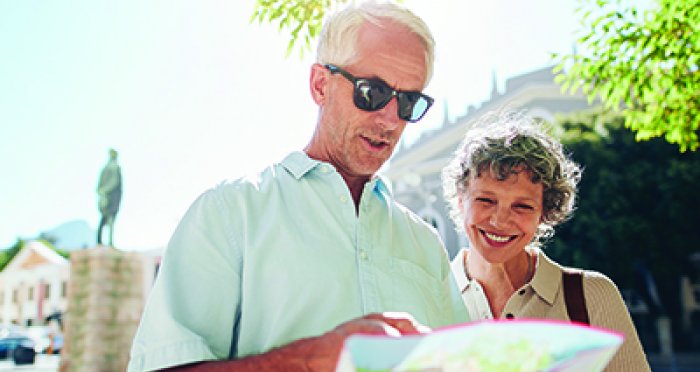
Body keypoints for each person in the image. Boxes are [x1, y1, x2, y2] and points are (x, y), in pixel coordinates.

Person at [128, 2, 468, 371]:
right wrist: (305, 361)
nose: (390, 120)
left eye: (408, 101)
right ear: (320, 85)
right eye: (372, 92)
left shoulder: (425, 244)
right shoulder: (230, 214)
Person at [442, 111, 650, 371]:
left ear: (545, 213)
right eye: (486, 200)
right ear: (461, 201)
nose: (499, 220)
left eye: (523, 206)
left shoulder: (591, 296)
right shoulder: (428, 295)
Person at [96, 148, 122, 247]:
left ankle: (102, 242)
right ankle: (107, 242)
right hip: (111, 197)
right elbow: (115, 182)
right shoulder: (114, 167)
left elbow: (99, 185)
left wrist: (102, 191)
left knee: (105, 220)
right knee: (109, 219)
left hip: (107, 195)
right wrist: (105, 191)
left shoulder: (106, 168)